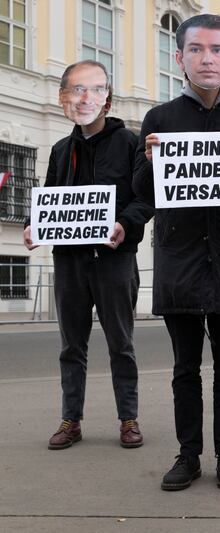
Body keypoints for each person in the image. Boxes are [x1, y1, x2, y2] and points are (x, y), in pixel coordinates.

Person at [133, 14, 220, 491]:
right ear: (180, 58)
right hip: (181, 264)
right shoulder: (159, 121)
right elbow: (144, 196)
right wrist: (151, 164)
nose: (206, 58)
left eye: (217, 50)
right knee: (184, 369)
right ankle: (188, 455)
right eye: (196, 49)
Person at [22, 60, 152, 451]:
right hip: (70, 260)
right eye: (75, 91)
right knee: (70, 346)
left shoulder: (130, 143)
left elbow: (146, 199)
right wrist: (33, 225)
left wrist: (124, 225)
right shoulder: (62, 149)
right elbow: (49, 196)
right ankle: (70, 420)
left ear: (106, 100)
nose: (84, 99)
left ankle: (128, 419)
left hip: (115, 260)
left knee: (121, 344)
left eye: (93, 91)